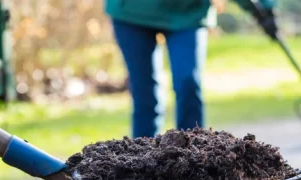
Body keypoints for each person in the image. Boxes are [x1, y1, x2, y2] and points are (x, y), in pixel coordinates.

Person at [104, 0, 278, 138]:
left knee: (187, 82)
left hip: (188, 13)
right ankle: (141, 164)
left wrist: (263, 7)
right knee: (144, 92)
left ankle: (193, 157)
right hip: (131, 12)